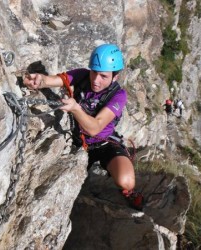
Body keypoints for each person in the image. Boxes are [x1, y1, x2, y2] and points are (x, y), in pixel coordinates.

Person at [23, 43, 144, 211]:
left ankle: (129, 193)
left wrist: (75, 108)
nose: (95, 80)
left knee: (126, 181)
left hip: (104, 142)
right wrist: (39, 80)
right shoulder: (82, 75)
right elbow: (53, 80)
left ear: (115, 77)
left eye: (103, 76)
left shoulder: (118, 96)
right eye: (94, 72)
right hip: (78, 142)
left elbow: (95, 128)